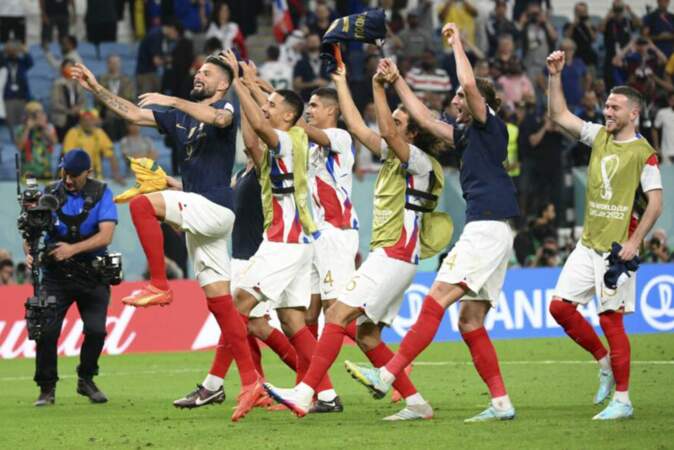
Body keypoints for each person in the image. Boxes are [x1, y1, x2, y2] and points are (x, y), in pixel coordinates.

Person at [71, 53, 265, 422]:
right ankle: (251, 382)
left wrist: (172, 99)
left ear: (223, 84)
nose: (199, 74)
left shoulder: (224, 106)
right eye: (198, 70)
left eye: (207, 72)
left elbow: (219, 117)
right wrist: (96, 87)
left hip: (214, 206)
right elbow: (132, 113)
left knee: (142, 206)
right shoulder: (180, 117)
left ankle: (159, 284)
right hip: (203, 215)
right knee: (222, 307)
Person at [345, 23, 520, 423]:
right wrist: (396, 80)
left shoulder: (487, 123)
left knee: (437, 296)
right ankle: (501, 403)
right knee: (470, 320)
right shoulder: (465, 136)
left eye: (461, 96)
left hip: (488, 225)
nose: (456, 100)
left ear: (481, 104)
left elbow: (471, 86)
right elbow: (422, 117)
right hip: (497, 227)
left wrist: (457, 43)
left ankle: (388, 373)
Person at [264, 56, 443, 421]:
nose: (389, 126)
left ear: (412, 134)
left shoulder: (419, 161)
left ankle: (307, 391)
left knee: (338, 314)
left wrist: (379, 86)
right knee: (366, 336)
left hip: (393, 253)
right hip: (386, 253)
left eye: (398, 122)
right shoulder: (394, 157)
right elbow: (361, 127)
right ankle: (415, 402)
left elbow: (374, 133)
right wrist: (343, 80)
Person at [222, 49, 342, 414]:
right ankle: (325, 394)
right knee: (292, 321)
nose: (267, 107)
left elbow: (260, 127)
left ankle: (245, 385)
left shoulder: (289, 140)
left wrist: (236, 84)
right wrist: (251, 88)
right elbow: (256, 129)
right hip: (293, 244)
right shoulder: (292, 140)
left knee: (237, 307)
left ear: (287, 117)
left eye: (273, 104)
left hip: (285, 243)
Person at [546, 50, 663, 420]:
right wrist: (554, 75)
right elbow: (559, 115)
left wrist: (634, 242)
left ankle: (623, 401)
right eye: (606, 106)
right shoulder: (598, 136)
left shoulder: (644, 153)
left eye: (615, 107)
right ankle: (603, 361)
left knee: (612, 320)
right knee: (559, 308)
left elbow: (656, 203)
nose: (607, 112)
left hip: (616, 251)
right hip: (588, 243)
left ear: (633, 113)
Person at [173, 153, 300, 411]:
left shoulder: (264, 170)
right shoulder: (243, 174)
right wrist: (172, 185)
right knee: (248, 328)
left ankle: (313, 381)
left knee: (252, 326)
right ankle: (260, 388)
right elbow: (219, 192)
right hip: (240, 258)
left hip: (256, 255)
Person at [28, 149, 118, 406]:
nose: (68, 179)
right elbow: (31, 229)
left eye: (75, 175)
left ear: (88, 173)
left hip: (93, 272)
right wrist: (30, 252)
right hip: (56, 275)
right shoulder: (48, 193)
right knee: (46, 330)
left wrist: (72, 249)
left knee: (96, 330)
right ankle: (46, 388)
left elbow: (106, 236)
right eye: (65, 173)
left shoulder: (102, 192)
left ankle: (86, 379)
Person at [63, 109, 124, 183]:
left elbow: (111, 155)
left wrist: (116, 174)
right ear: (80, 122)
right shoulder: (73, 133)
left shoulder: (99, 133)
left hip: (96, 175)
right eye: (85, 120)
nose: (88, 123)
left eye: (90, 120)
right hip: (77, 175)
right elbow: (68, 158)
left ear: (94, 121)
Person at [96, 55, 135, 142]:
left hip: (123, 112)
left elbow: (129, 98)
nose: (114, 65)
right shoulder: (101, 80)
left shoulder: (127, 80)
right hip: (106, 112)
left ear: (120, 64)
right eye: (111, 63)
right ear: (107, 64)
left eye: (116, 63)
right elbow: (98, 98)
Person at [16, 101, 58, 179]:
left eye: (40, 113)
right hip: (28, 172)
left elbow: (54, 142)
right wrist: (28, 128)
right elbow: (20, 147)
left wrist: (44, 126)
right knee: (29, 191)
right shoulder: (21, 129)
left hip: (46, 172)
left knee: (46, 191)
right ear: (27, 115)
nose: (37, 116)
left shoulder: (49, 127)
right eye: (34, 114)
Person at [1, 40, 33, 142]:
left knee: (23, 122)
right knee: (11, 123)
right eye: (11, 49)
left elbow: (30, 62)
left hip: (22, 97)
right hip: (8, 98)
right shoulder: (3, 62)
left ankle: (22, 141)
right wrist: (4, 50)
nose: (13, 50)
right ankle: (14, 142)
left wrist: (23, 50)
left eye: (14, 48)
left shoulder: (21, 62)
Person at [50, 59, 85, 141]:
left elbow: (83, 101)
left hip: (77, 116)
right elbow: (55, 104)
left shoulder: (79, 84)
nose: (69, 69)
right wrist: (69, 111)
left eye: (71, 67)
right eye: (67, 67)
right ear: (62, 69)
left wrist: (78, 108)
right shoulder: (57, 84)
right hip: (63, 117)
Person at [653, 91, 674, 165]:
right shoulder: (662, 113)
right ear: (669, 101)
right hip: (666, 153)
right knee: (667, 175)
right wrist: (657, 147)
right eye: (672, 100)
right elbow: (655, 129)